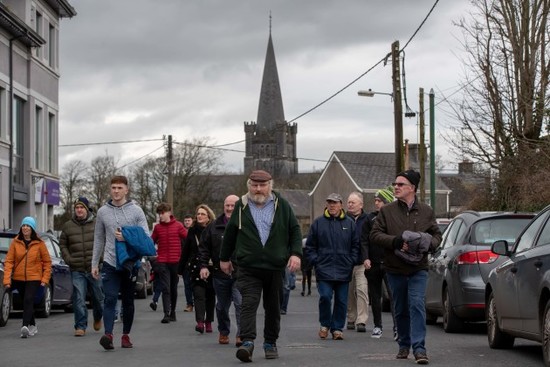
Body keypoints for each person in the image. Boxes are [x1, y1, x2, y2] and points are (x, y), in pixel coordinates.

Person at [220, 170, 302, 362]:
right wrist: (224, 259)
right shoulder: (241, 206)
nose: (258, 189)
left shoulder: (282, 206)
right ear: (249, 185)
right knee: (248, 304)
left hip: (274, 266)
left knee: (273, 307)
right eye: (254, 185)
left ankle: (270, 342)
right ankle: (247, 343)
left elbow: (295, 230)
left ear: (269, 186)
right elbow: (230, 233)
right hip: (249, 266)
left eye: (262, 185)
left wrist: (296, 254)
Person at [370, 170, 442, 365]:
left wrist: (429, 243)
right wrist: (395, 241)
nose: (396, 187)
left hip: (419, 267)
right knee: (400, 308)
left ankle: (419, 349)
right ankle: (404, 344)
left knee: (417, 304)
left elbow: (437, 235)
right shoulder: (387, 211)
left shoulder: (427, 211)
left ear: (412, 188)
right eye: (395, 184)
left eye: (401, 184)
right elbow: (374, 235)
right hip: (395, 268)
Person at [92, 175, 150, 350]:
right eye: (113, 188)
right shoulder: (102, 212)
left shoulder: (137, 211)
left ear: (126, 189)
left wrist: (126, 236)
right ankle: (108, 335)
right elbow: (98, 238)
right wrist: (94, 263)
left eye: (119, 188)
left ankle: (126, 335)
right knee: (109, 299)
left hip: (130, 263)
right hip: (110, 262)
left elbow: (145, 237)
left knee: (128, 302)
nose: (116, 191)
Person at [305, 193, 359, 341]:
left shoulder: (349, 223)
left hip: (343, 269)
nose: (332, 205)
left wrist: (351, 261)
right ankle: (324, 325)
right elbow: (310, 247)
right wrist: (316, 261)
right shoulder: (318, 223)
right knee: (325, 297)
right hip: (324, 269)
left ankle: (337, 329)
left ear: (341, 205)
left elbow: (356, 245)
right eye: (329, 203)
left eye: (335, 203)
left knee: (341, 301)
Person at [198, 195, 242, 346]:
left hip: (240, 273)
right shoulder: (213, 227)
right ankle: (224, 331)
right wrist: (203, 266)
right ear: (223, 206)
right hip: (219, 273)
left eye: (233, 206)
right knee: (222, 307)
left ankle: (241, 334)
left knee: (240, 304)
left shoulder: (246, 225)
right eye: (227, 205)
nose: (230, 208)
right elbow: (204, 248)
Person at [59, 196, 104, 337]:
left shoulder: (97, 223)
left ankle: (97, 317)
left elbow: (105, 240)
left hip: (94, 268)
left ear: (87, 209)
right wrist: (69, 259)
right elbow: (62, 244)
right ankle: (80, 326)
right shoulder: (68, 226)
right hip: (77, 268)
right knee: (78, 298)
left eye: (81, 207)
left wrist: (100, 259)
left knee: (98, 297)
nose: (79, 210)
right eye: (77, 207)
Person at [3, 217, 52, 338]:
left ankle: (24, 327)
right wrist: (7, 280)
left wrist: (45, 279)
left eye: (28, 226)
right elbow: (9, 261)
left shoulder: (40, 244)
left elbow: (47, 262)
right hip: (18, 278)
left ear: (32, 229)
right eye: (23, 225)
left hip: (34, 277)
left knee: (28, 299)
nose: (25, 228)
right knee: (26, 301)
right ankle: (33, 325)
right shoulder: (15, 242)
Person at [362, 187, 397, 339]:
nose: (376, 203)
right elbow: (363, 240)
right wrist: (365, 258)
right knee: (375, 296)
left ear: (387, 202)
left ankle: (397, 327)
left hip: (390, 263)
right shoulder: (369, 219)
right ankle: (377, 326)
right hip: (374, 263)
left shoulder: (395, 218)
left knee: (393, 295)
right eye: (375, 200)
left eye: (379, 201)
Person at [180, 204, 216, 334]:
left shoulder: (214, 229)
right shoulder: (192, 230)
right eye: (198, 214)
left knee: (211, 296)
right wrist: (180, 268)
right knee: (198, 295)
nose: (199, 216)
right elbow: (186, 250)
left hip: (212, 266)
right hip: (195, 267)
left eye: (202, 214)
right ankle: (200, 322)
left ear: (208, 217)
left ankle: (209, 321)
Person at [150, 202, 188, 323]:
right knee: (165, 288)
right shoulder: (157, 228)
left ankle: (173, 312)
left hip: (175, 262)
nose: (160, 216)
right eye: (159, 214)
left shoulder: (178, 226)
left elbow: (188, 238)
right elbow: (151, 241)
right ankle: (166, 314)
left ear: (169, 213)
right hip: (162, 262)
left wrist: (186, 256)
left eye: (162, 213)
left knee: (173, 288)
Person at [345, 192, 370, 333]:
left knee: (362, 290)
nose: (350, 204)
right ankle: (351, 317)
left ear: (361, 204)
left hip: (361, 263)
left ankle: (361, 320)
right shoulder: (343, 219)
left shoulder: (367, 220)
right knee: (349, 292)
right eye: (349, 202)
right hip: (347, 263)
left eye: (353, 202)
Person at [182, 214, 195, 313]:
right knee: (187, 284)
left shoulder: (195, 232)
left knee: (195, 285)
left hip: (195, 262)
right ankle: (189, 304)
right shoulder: (181, 233)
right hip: (186, 262)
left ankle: (196, 302)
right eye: (185, 221)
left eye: (188, 220)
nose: (187, 222)